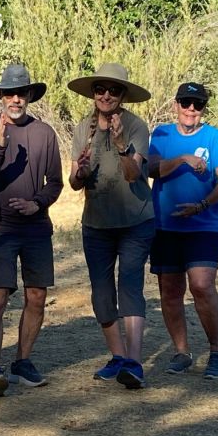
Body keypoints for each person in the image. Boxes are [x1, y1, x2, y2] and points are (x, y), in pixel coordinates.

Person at [0, 63, 64, 396]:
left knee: (36, 295)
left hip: (36, 226)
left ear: (29, 96)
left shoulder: (45, 133)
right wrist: (0, 147)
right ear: (1, 96)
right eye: (9, 93)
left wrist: (37, 203)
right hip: (1, 227)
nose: (15, 99)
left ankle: (23, 362)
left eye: (21, 93)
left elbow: (55, 182)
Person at [67, 63, 155, 390]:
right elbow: (74, 182)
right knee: (102, 293)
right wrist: (80, 172)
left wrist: (120, 145)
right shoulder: (82, 129)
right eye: (100, 89)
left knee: (130, 286)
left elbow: (133, 174)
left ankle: (134, 363)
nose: (106, 95)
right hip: (96, 224)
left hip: (135, 221)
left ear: (123, 95)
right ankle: (118, 357)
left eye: (113, 90)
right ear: (93, 93)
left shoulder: (136, 127)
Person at [148, 82, 218, 379]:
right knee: (170, 290)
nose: (191, 109)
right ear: (176, 104)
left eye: (197, 104)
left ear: (203, 108)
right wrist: (183, 159)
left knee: (201, 285)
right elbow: (152, 169)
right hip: (166, 224)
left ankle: (216, 351)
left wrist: (201, 205)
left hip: (205, 224)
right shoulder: (161, 134)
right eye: (185, 102)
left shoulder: (214, 137)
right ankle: (182, 352)